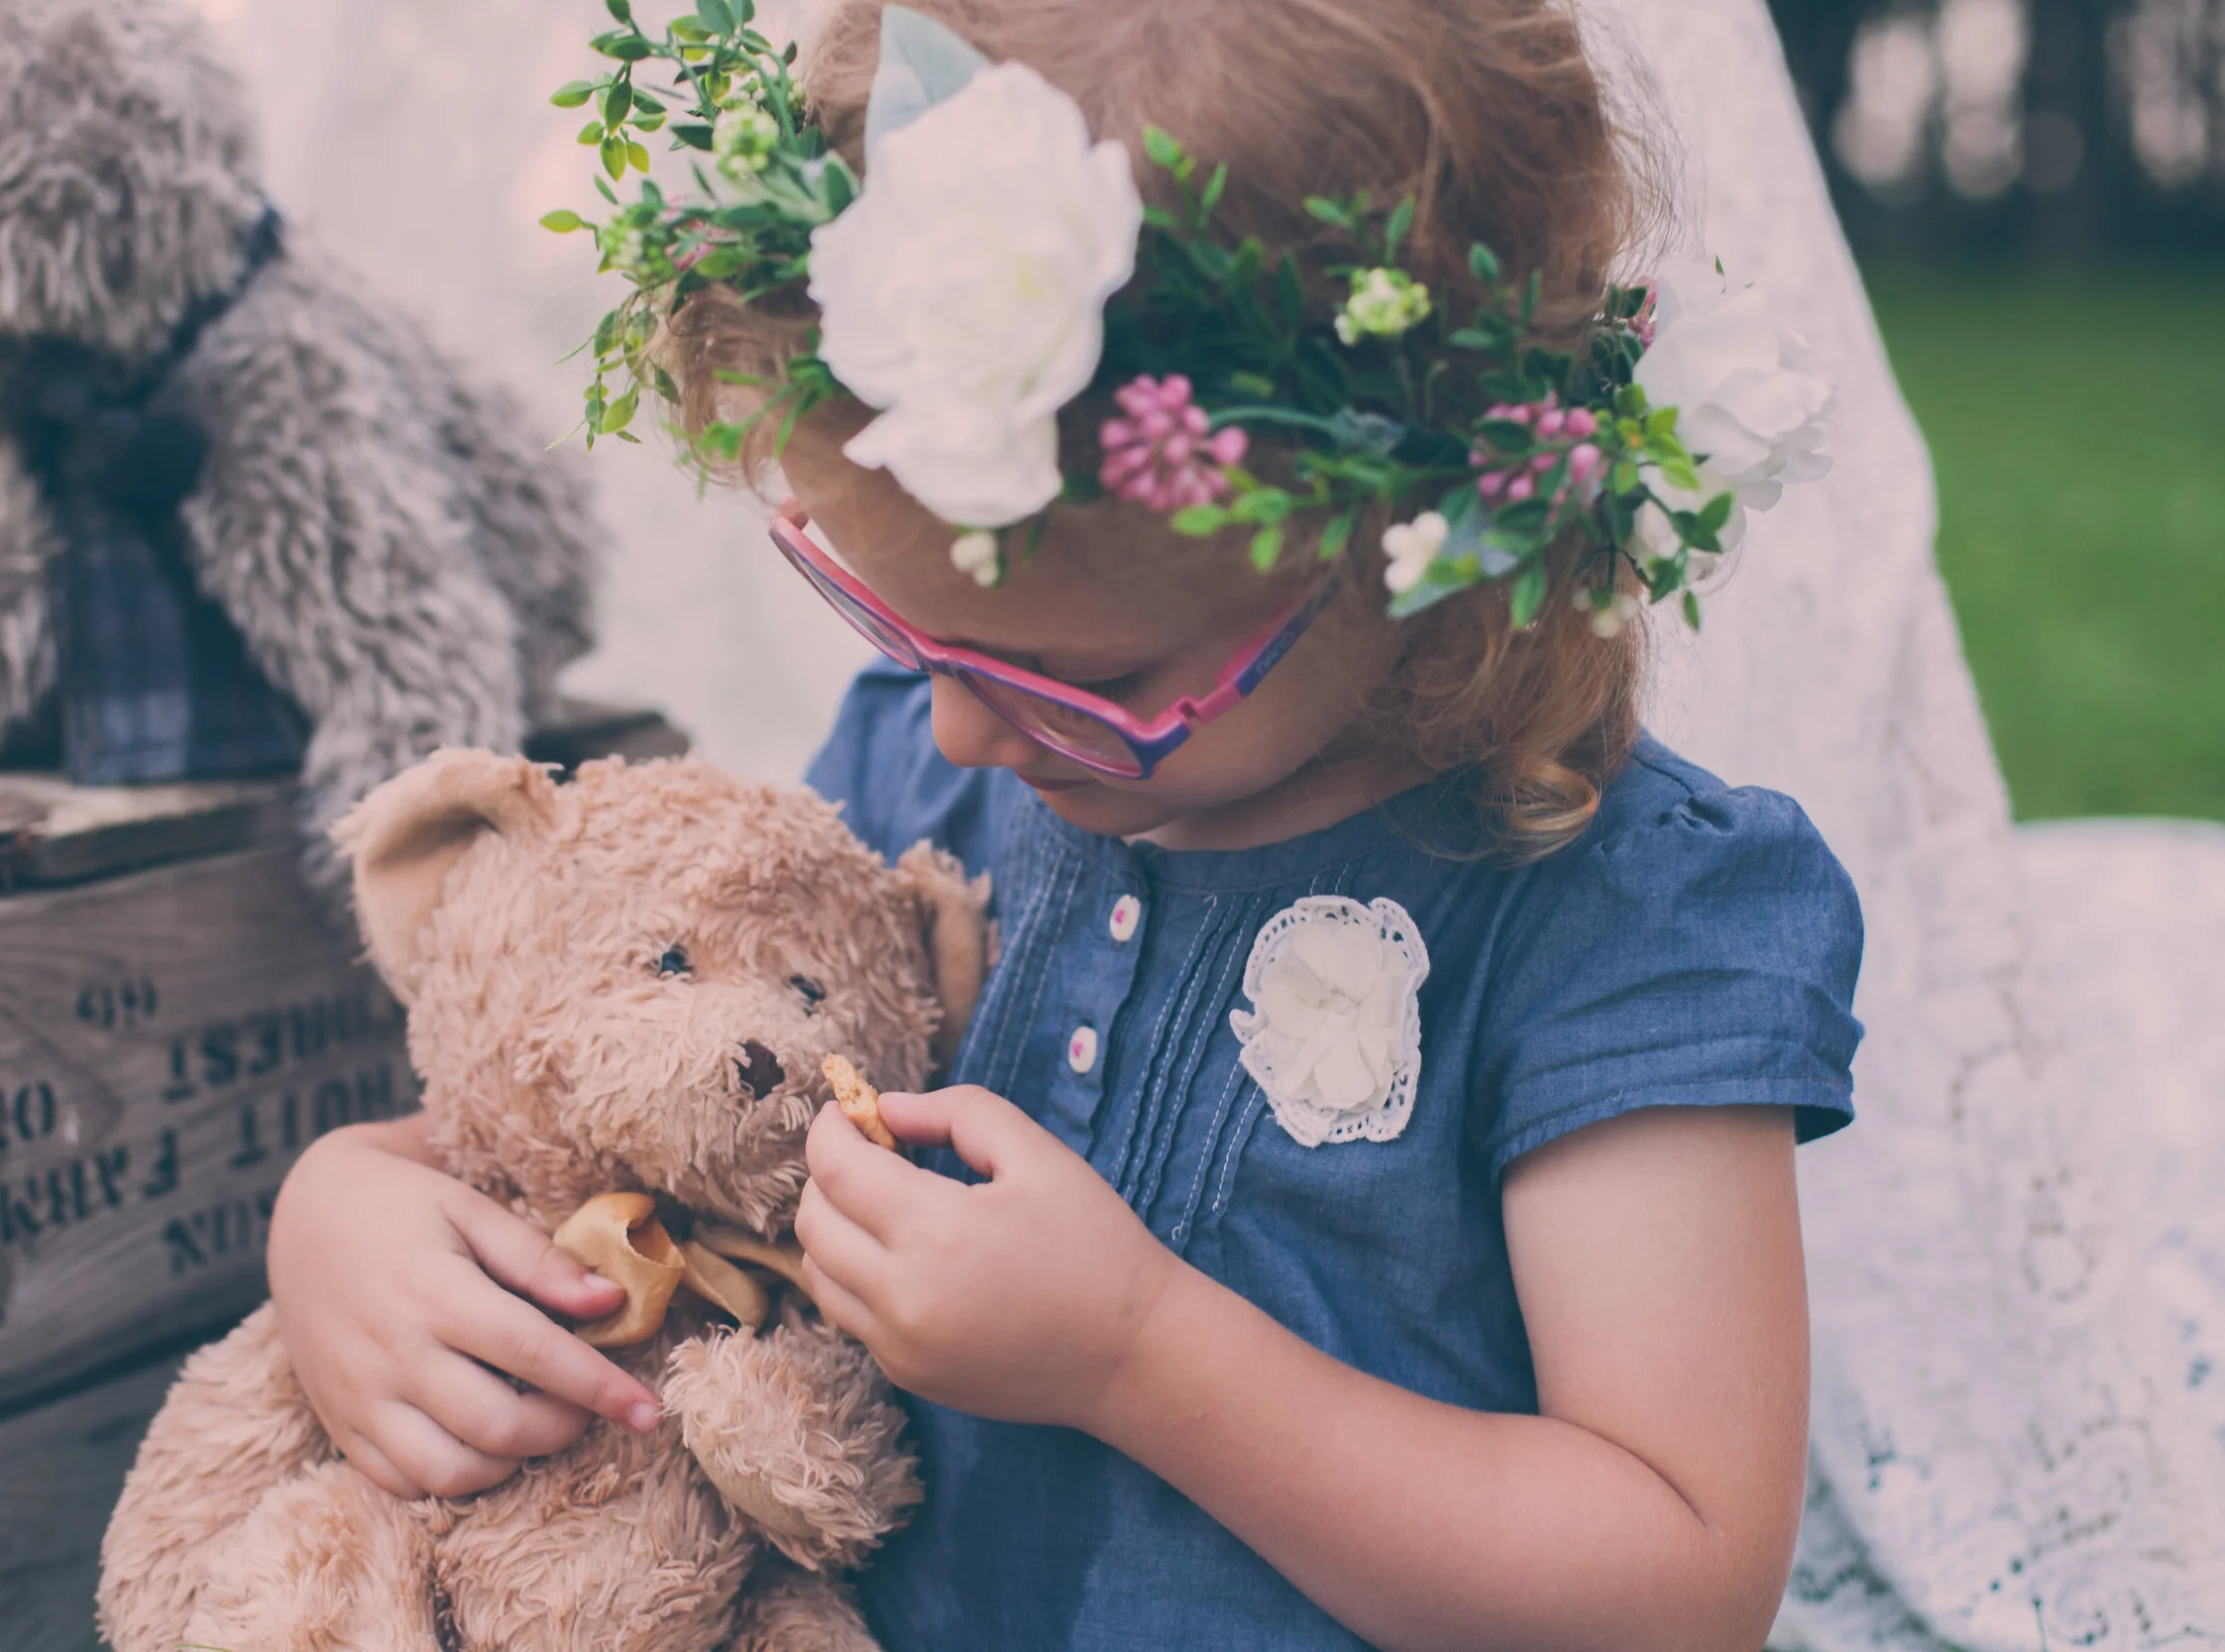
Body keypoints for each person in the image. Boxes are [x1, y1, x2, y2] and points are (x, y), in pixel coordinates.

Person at [263, 1, 1867, 1645]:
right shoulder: (928, 778)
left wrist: (1138, 1353)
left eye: (1086, 681)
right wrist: (353, 1203)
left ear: (1429, 543)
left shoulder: (1613, 915)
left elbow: (1680, 1582)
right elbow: (654, 1103)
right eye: (909, 629)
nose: (959, 726)